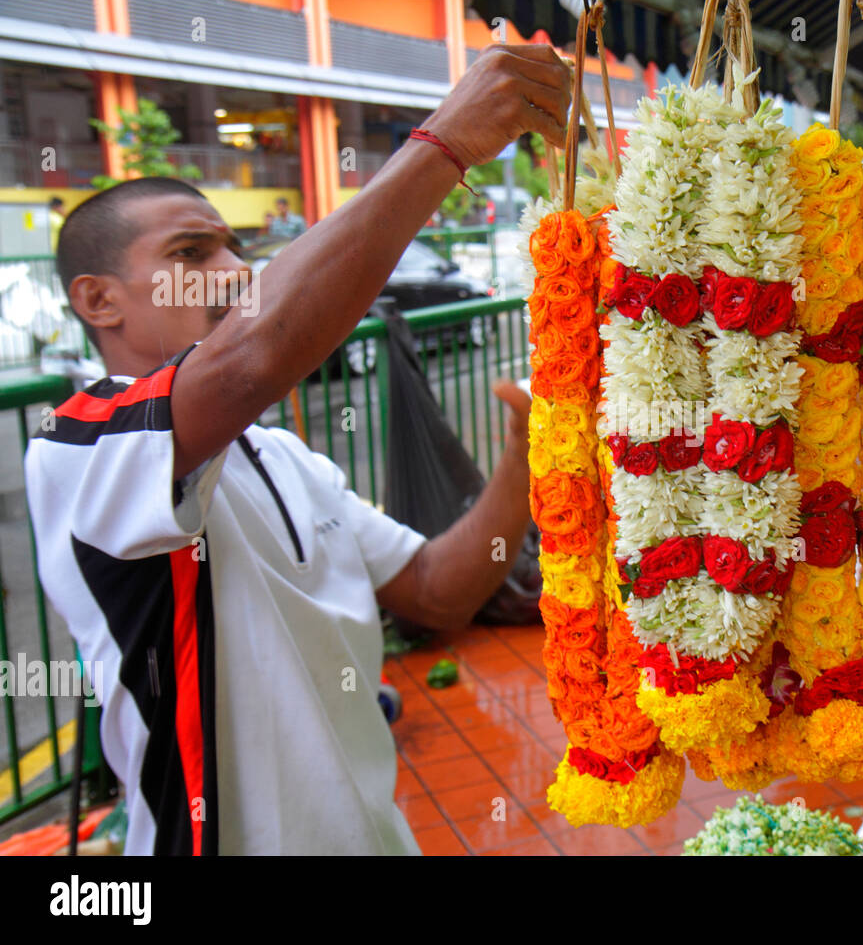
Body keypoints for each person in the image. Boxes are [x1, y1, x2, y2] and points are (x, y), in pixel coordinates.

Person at [25, 44, 570, 855]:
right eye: (192, 253)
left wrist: (532, 445)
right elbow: (254, 357)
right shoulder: (77, 449)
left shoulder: (283, 457)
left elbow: (437, 588)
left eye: (231, 246)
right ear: (98, 301)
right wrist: (444, 145)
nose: (234, 269)